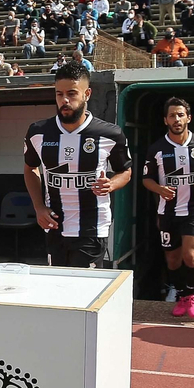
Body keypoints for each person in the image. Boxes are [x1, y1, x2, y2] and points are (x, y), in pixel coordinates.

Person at [23, 62, 132, 268]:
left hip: (92, 227)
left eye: (72, 94)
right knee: (58, 288)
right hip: (55, 225)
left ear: (87, 94)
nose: (65, 100)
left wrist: (111, 184)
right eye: (59, 94)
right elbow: (30, 168)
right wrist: (38, 207)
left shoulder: (110, 134)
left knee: (84, 291)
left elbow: (125, 171)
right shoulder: (38, 132)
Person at [141, 98, 194, 318]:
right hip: (168, 211)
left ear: (188, 118)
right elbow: (146, 179)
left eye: (180, 115)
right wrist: (160, 189)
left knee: (190, 254)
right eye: (172, 115)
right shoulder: (157, 149)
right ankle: (182, 295)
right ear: (166, 120)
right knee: (173, 259)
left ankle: (192, 296)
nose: (177, 119)